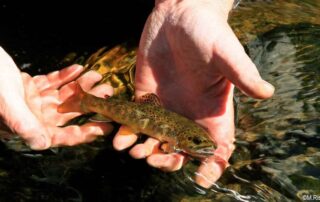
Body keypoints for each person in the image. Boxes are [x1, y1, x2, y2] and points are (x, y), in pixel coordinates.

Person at [0, 0, 274, 188]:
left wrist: (188, 4)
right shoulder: (177, 136)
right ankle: (84, 100)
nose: (205, 147)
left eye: (199, 143)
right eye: (198, 141)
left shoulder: (180, 137)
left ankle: (86, 101)